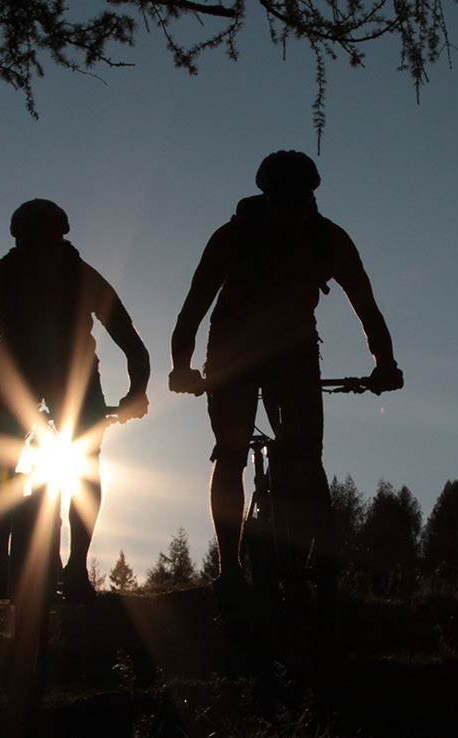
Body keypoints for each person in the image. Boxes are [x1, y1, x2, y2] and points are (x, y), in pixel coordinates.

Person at [169, 151, 403, 610]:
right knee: (233, 453)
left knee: (305, 453)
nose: (289, 209)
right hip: (233, 347)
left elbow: (366, 306)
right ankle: (230, 569)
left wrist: (385, 363)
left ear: (310, 197)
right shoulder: (233, 238)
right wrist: (182, 366)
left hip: (293, 350)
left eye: (298, 199)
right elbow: (193, 308)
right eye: (281, 200)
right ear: (266, 197)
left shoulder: (329, 240)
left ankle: (313, 560)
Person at [0, 199, 151, 604]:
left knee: (14, 461)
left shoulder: (4, 275)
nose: (39, 254)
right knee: (73, 465)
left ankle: (30, 563)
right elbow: (133, 347)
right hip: (50, 380)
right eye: (32, 244)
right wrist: (134, 395)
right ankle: (44, 566)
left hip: (51, 380)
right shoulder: (66, 276)